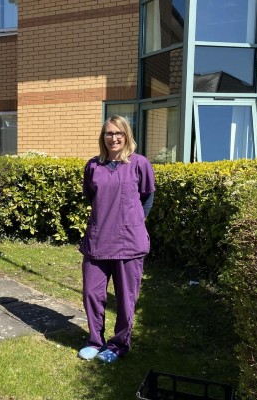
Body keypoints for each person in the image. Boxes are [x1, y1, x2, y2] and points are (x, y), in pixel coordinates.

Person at [77, 115, 155, 364]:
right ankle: (95, 341)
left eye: (118, 132)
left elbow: (148, 197)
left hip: (129, 243)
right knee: (92, 292)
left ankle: (119, 344)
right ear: (103, 137)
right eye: (109, 133)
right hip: (98, 240)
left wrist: (134, 221)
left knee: (125, 298)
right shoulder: (93, 166)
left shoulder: (139, 164)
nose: (114, 138)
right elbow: (92, 197)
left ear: (127, 135)